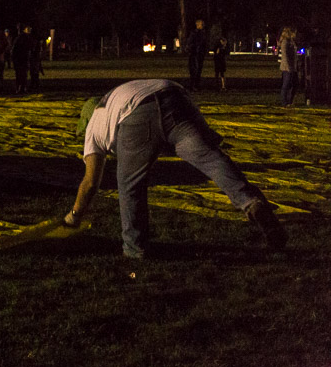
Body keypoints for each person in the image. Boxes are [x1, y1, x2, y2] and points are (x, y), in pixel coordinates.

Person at [65, 79, 287, 258]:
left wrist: (74, 216)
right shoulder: (116, 95)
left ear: (86, 120)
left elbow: (91, 182)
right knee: (212, 160)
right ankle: (251, 202)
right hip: (175, 97)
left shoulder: (94, 124)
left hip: (136, 114)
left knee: (129, 184)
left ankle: (134, 248)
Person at [10, 26, 37, 94]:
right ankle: (19, 87)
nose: (29, 30)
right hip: (19, 58)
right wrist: (14, 58)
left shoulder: (30, 38)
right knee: (19, 74)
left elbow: (32, 47)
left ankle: (23, 87)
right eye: (28, 29)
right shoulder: (20, 38)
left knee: (24, 74)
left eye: (30, 29)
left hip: (25, 58)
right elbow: (14, 48)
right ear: (24, 30)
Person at [278, 27, 299, 107]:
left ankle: (290, 101)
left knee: (295, 84)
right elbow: (285, 56)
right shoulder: (285, 42)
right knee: (286, 84)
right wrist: (289, 68)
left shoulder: (291, 42)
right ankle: (285, 102)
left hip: (293, 67)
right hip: (287, 67)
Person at [186, 19, 208, 90]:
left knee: (198, 70)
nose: (203, 26)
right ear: (198, 25)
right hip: (195, 54)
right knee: (195, 70)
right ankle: (193, 85)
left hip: (200, 54)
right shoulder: (194, 33)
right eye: (202, 24)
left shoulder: (202, 33)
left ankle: (196, 85)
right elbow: (190, 43)